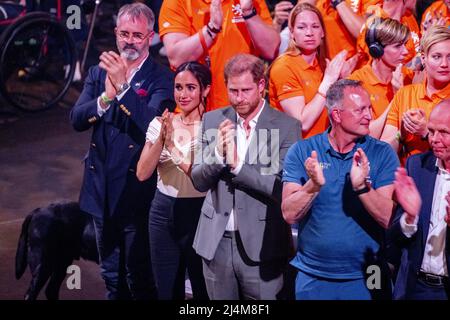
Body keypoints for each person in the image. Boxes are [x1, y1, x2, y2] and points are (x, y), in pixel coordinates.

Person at [70, 3, 174, 300]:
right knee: (111, 275)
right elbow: (77, 120)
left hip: (135, 193)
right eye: (124, 33)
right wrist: (106, 96)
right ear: (116, 33)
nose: (130, 40)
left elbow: (151, 125)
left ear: (150, 37)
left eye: (137, 35)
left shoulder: (161, 78)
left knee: (139, 276)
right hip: (100, 190)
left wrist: (125, 89)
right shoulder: (96, 72)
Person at [191, 54, 300, 300]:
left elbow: (280, 187)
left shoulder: (286, 127)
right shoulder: (212, 120)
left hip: (263, 247)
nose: (238, 98)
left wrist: (238, 166)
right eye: (233, 91)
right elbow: (198, 180)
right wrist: (217, 153)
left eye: (245, 90)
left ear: (261, 86)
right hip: (215, 243)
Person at [282, 79, 399, 299]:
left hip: (369, 273)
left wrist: (361, 187)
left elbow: (387, 219)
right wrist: (313, 186)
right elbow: (288, 214)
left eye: (369, 108)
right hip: (312, 274)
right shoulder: (303, 151)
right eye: (360, 110)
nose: (369, 116)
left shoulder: (382, 153)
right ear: (336, 115)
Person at [136, 62, 210, 300]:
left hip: (199, 213)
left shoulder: (213, 126)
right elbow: (142, 173)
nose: (183, 94)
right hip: (162, 212)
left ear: (205, 90)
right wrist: (162, 139)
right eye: (178, 87)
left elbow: (203, 179)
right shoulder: (160, 123)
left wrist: (173, 149)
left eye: (191, 87)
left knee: (203, 290)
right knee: (167, 291)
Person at [158, 0, 279, 111]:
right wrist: (212, 28)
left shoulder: (251, 2)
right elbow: (177, 58)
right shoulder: (177, 2)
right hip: (197, 112)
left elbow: (271, 50)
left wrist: (248, 13)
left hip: (244, 108)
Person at [388, 99, 450, 300]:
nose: (433, 139)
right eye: (431, 131)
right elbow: (394, 239)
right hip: (414, 287)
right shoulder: (417, 166)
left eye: (444, 132)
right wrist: (409, 217)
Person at [269, 2, 349, 138]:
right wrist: (328, 82)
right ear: (292, 32)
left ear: (322, 32)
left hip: (322, 148)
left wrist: (343, 82)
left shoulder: (324, 66)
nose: (309, 33)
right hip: (293, 152)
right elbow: (302, 123)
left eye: (315, 26)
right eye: (301, 27)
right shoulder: (284, 67)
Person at [381, 26, 450, 165]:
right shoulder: (405, 94)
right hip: (407, 177)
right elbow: (385, 151)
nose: (444, 64)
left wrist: (426, 132)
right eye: (437, 57)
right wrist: (401, 134)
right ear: (423, 59)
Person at [348, 17, 410, 137]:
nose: (406, 51)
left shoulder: (408, 77)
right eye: (398, 46)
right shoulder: (355, 83)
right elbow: (367, 135)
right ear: (377, 50)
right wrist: (397, 99)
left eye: (405, 45)